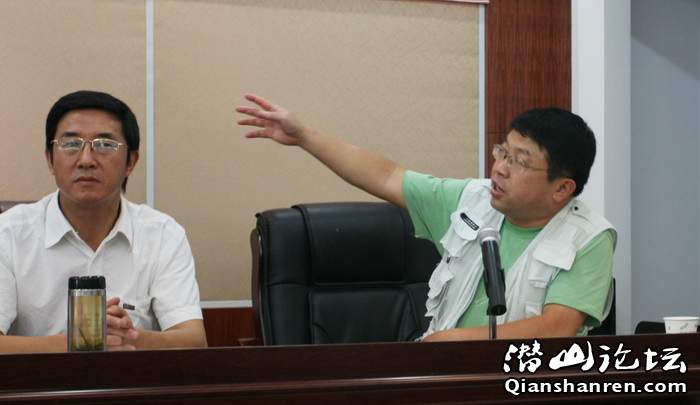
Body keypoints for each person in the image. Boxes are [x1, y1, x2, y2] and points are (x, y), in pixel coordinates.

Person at [236, 94, 616, 342]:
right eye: (503, 152)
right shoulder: (472, 199)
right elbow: (387, 175)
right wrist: (304, 136)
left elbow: (556, 328)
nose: (500, 168)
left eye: (519, 161)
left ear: (562, 188)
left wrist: (453, 341)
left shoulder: (588, 237)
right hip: (442, 376)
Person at [0, 90, 207, 352]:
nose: (86, 160)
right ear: (50, 159)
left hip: (133, 378)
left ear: (131, 161)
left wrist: (131, 338)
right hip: (41, 379)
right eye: (71, 144)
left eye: (104, 145)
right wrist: (76, 344)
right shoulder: (8, 234)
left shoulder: (163, 234)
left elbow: (194, 340)